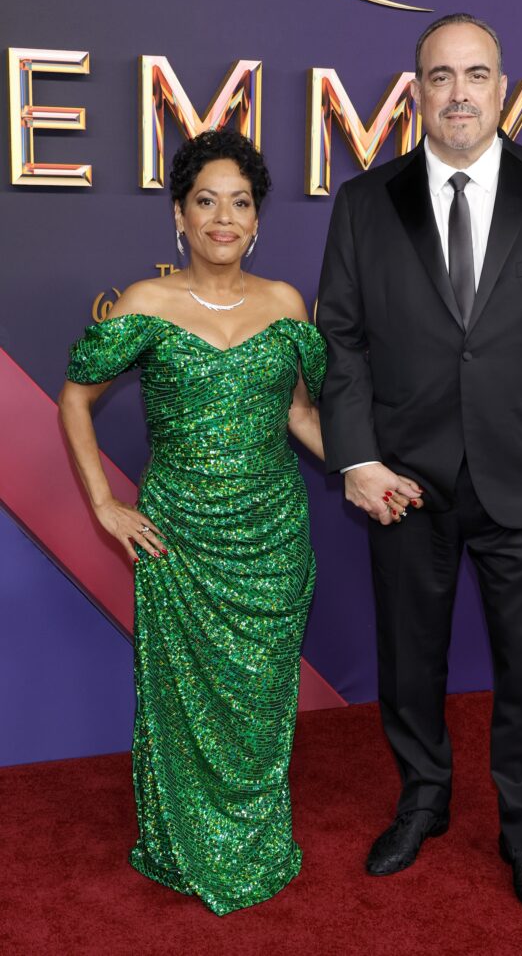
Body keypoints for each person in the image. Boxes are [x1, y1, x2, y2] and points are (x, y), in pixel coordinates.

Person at [317, 13, 522, 916]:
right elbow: (343, 343)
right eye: (440, 75)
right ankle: (422, 802)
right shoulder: (365, 202)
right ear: (415, 91)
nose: (458, 92)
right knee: (408, 661)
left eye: (476, 74)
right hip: (404, 483)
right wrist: (358, 459)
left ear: (503, 89)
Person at [58, 129, 327, 916]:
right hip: (179, 538)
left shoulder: (284, 303)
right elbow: (76, 398)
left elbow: (302, 415)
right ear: (180, 214)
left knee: (261, 697)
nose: (222, 218)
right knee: (181, 703)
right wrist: (107, 505)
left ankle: (252, 833)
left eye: (238, 203)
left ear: (256, 220)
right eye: (205, 201)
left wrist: (362, 470)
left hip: (273, 536)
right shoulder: (146, 303)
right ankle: (185, 842)